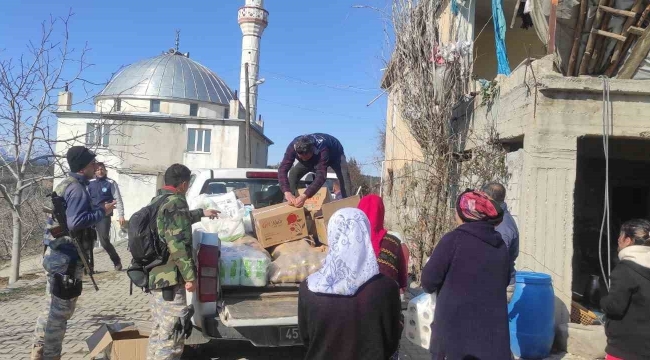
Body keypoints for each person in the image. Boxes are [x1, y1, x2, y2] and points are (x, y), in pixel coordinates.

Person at [31, 146, 116, 360]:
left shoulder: (65, 184)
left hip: (56, 254)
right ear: (84, 166)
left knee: (50, 307)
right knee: (59, 314)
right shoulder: (77, 188)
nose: (96, 167)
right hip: (66, 259)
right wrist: (102, 211)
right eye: (93, 164)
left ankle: (38, 349)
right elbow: (75, 222)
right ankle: (49, 356)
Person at [298, 208, 401, 360]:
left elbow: (306, 339)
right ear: (365, 234)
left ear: (332, 235)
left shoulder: (309, 288)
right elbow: (391, 340)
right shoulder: (387, 288)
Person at [421, 189, 510, 360]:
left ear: (465, 213)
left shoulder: (453, 240)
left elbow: (428, 282)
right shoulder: (500, 245)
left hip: (455, 340)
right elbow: (503, 281)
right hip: (491, 339)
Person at [147, 164, 219, 360]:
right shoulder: (176, 202)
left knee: (160, 330)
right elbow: (177, 243)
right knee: (173, 334)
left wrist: (201, 213)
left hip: (156, 276)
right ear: (184, 184)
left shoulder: (159, 200)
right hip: (170, 279)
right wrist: (190, 276)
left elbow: (175, 222)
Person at [600, 219, 650, 360]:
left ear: (628, 240)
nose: (618, 239)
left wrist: (601, 300)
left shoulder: (625, 269)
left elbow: (615, 307)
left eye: (621, 236)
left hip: (625, 349)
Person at [278, 133, 352, 208]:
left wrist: (304, 196)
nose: (304, 159)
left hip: (335, 154)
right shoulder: (292, 147)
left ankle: (348, 204)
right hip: (315, 157)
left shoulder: (322, 148)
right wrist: (287, 192)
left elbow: (321, 176)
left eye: (306, 157)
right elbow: (282, 169)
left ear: (312, 150)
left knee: (344, 176)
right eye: (301, 157)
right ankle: (288, 203)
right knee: (294, 173)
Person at [358, 194, 408, 290]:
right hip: (386, 299)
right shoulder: (394, 242)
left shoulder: (350, 244)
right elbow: (402, 282)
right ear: (381, 213)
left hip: (356, 301)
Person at [482, 182, 520, 302]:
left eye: (483, 198)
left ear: (489, 198)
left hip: (500, 285)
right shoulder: (495, 218)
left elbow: (497, 258)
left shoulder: (503, 226)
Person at [88, 162, 124, 271]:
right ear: (95, 171)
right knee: (88, 241)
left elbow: (118, 199)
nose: (100, 171)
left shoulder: (111, 183)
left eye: (102, 169)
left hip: (104, 215)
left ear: (105, 170)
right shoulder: (90, 183)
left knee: (104, 240)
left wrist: (121, 215)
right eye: (98, 169)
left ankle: (116, 261)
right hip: (90, 215)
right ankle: (90, 267)